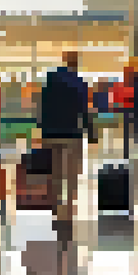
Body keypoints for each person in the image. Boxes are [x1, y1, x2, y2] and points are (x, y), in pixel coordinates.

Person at [38, 52, 95, 229]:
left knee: (55, 171)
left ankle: (55, 206)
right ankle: (68, 210)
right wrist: (91, 133)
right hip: (72, 133)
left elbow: (42, 105)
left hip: (51, 133)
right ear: (76, 63)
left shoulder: (50, 80)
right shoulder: (79, 82)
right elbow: (84, 110)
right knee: (71, 173)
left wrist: (41, 128)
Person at [119, 61, 138, 160]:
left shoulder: (125, 85)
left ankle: (126, 153)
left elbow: (122, 98)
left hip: (127, 110)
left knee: (127, 132)